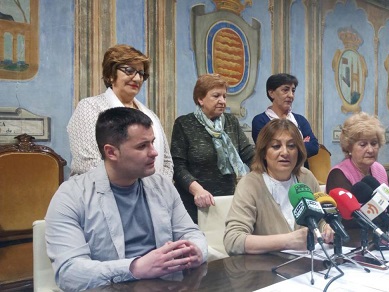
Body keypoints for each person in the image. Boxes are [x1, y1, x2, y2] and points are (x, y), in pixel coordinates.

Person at [46, 107, 207, 291]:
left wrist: (196, 250)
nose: (154, 152)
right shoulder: (71, 196)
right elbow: (69, 273)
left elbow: (192, 233)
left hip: (165, 285)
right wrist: (134, 268)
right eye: (142, 146)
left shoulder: (162, 185)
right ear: (111, 152)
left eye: (152, 143)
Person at [224, 119, 334, 255]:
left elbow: (320, 219)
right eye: (276, 146)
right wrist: (288, 241)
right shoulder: (250, 184)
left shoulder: (306, 177)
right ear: (264, 152)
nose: (285, 152)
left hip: (307, 265)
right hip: (265, 270)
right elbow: (233, 241)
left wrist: (327, 228)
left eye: (291, 146)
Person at [68, 44, 173, 179]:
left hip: (154, 195)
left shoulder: (150, 115)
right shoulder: (90, 107)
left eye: (141, 73)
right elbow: (87, 163)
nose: (137, 78)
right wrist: (134, 189)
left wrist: (158, 190)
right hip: (101, 195)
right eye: (129, 70)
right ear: (110, 75)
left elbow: (167, 162)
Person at [170, 74, 254, 223]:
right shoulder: (184, 124)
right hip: (193, 203)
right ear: (200, 99)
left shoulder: (231, 122)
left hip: (227, 201)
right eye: (216, 96)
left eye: (224, 96)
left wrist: (267, 172)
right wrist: (198, 191)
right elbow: (178, 166)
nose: (222, 101)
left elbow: (248, 153)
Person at [326, 112, 389, 225]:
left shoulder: (379, 169)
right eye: (363, 144)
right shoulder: (338, 174)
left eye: (374, 143)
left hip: (385, 236)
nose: (371, 150)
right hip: (354, 238)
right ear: (349, 148)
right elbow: (347, 220)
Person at [251, 73, 319, 163]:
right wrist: (300, 144)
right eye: (285, 90)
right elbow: (267, 149)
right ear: (271, 93)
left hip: (299, 173)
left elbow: (314, 147)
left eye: (293, 91)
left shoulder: (300, 120)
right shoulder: (260, 121)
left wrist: (282, 145)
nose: (291, 95)